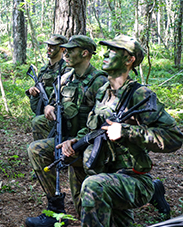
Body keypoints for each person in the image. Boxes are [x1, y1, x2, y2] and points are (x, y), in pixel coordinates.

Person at [59, 35, 183, 226]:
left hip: (133, 179)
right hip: (106, 172)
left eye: (114, 51)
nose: (106, 55)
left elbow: (174, 137)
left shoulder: (139, 94)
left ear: (129, 60)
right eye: (108, 50)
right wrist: (75, 141)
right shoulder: (104, 91)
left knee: (93, 186)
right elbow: (94, 128)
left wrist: (126, 132)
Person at [26, 35, 108, 227]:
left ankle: (150, 190)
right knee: (36, 149)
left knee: (85, 210)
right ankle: (56, 211)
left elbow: (102, 121)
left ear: (84, 53)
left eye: (70, 50)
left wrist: (77, 142)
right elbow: (54, 99)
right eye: (65, 50)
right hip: (68, 142)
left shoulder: (99, 82)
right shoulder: (66, 78)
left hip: (90, 146)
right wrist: (50, 107)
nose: (66, 53)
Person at [26, 34, 70, 140]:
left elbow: (66, 94)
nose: (49, 49)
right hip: (42, 111)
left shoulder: (66, 69)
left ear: (62, 49)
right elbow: (38, 88)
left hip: (57, 112)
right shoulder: (44, 69)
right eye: (48, 46)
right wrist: (33, 92)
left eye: (53, 46)